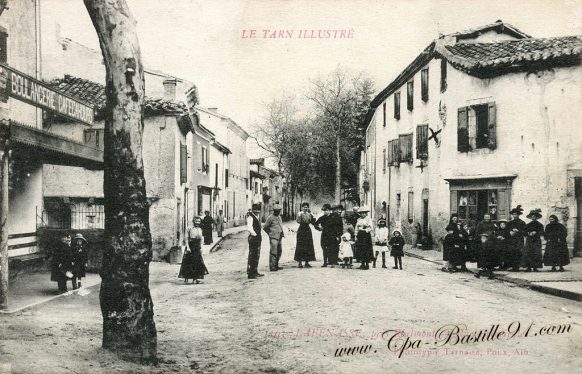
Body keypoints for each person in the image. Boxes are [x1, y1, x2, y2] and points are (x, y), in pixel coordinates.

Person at [178, 216, 209, 283]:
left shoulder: (200, 229)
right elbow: (186, 238)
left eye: (199, 221)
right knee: (188, 262)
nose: (197, 223)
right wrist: (188, 247)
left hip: (197, 247)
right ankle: (186, 278)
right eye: (196, 221)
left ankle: (195, 278)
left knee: (197, 262)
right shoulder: (189, 228)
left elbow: (201, 239)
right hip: (191, 246)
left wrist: (201, 248)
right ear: (193, 221)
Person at [294, 202, 316, 268]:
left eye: (306, 207)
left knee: (308, 245)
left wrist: (313, 217)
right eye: (304, 207)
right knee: (300, 245)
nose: (305, 208)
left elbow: (312, 222)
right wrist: (299, 215)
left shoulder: (309, 214)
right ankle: (300, 263)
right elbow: (298, 221)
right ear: (302, 208)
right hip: (301, 230)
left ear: (308, 208)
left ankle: (307, 262)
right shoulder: (300, 214)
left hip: (307, 230)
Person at [263, 204, 284, 272]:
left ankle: (276, 265)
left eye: (279, 211)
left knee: (279, 251)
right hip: (273, 237)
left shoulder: (279, 217)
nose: (278, 212)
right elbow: (265, 227)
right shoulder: (270, 217)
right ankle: (272, 267)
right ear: (274, 211)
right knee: (273, 252)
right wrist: (270, 234)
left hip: (279, 236)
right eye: (276, 211)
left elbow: (280, 226)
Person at [506, 205, 526, 271]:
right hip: (511, 240)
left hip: (519, 240)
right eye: (513, 214)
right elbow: (506, 231)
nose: (514, 216)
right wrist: (510, 233)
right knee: (512, 252)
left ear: (518, 215)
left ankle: (517, 266)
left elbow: (525, 232)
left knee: (518, 252)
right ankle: (513, 266)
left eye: (516, 214)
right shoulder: (510, 223)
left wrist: (518, 231)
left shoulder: (522, 223)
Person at [247, 204, 264, 279]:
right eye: (256, 210)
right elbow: (249, 228)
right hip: (253, 238)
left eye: (258, 210)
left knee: (256, 255)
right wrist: (255, 234)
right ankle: (251, 273)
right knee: (252, 256)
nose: (258, 211)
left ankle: (255, 271)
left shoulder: (256, 217)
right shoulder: (250, 217)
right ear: (253, 210)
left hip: (257, 238)